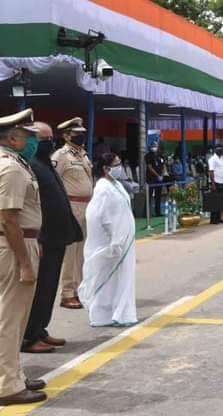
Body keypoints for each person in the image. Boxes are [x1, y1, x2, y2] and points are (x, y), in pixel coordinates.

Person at [0, 109, 48, 406]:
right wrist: (26, 263)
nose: (34, 141)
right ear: (14, 138)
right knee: (11, 319)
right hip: (12, 246)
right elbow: (9, 219)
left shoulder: (12, 164)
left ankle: (12, 374)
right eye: (29, 136)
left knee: (10, 317)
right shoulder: (12, 169)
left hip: (14, 243)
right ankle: (7, 385)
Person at [23, 122, 83, 354]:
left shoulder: (44, 163)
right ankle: (29, 336)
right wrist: (38, 239)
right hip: (43, 239)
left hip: (56, 237)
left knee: (48, 288)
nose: (49, 143)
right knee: (39, 290)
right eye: (44, 139)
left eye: (51, 139)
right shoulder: (30, 165)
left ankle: (40, 330)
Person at [78, 153, 137, 327]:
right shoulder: (102, 188)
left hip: (123, 241)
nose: (120, 167)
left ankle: (120, 313)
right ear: (106, 168)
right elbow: (97, 216)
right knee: (105, 277)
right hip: (110, 242)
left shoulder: (115, 184)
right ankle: (102, 314)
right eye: (117, 164)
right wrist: (114, 239)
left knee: (122, 278)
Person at [53, 117, 93, 310]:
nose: (81, 136)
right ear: (67, 135)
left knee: (84, 251)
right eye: (77, 134)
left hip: (87, 207)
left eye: (82, 133)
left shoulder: (83, 155)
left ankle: (81, 289)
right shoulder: (60, 156)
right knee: (72, 253)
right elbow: (54, 183)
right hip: (72, 207)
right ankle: (68, 292)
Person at [207, 145, 223, 224]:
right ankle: (214, 219)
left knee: (221, 200)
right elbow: (211, 171)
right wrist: (213, 184)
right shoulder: (212, 159)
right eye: (219, 149)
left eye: (221, 149)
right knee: (215, 201)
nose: (221, 151)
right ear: (216, 150)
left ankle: (220, 218)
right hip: (215, 182)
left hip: (221, 181)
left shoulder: (222, 159)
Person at [144, 142, 165, 217]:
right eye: (153, 146)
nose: (154, 147)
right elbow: (149, 167)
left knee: (158, 195)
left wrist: (162, 174)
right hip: (151, 177)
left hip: (159, 178)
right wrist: (157, 175)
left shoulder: (160, 155)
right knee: (149, 195)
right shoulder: (148, 156)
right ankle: (147, 213)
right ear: (150, 147)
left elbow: (163, 165)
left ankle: (158, 212)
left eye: (155, 146)